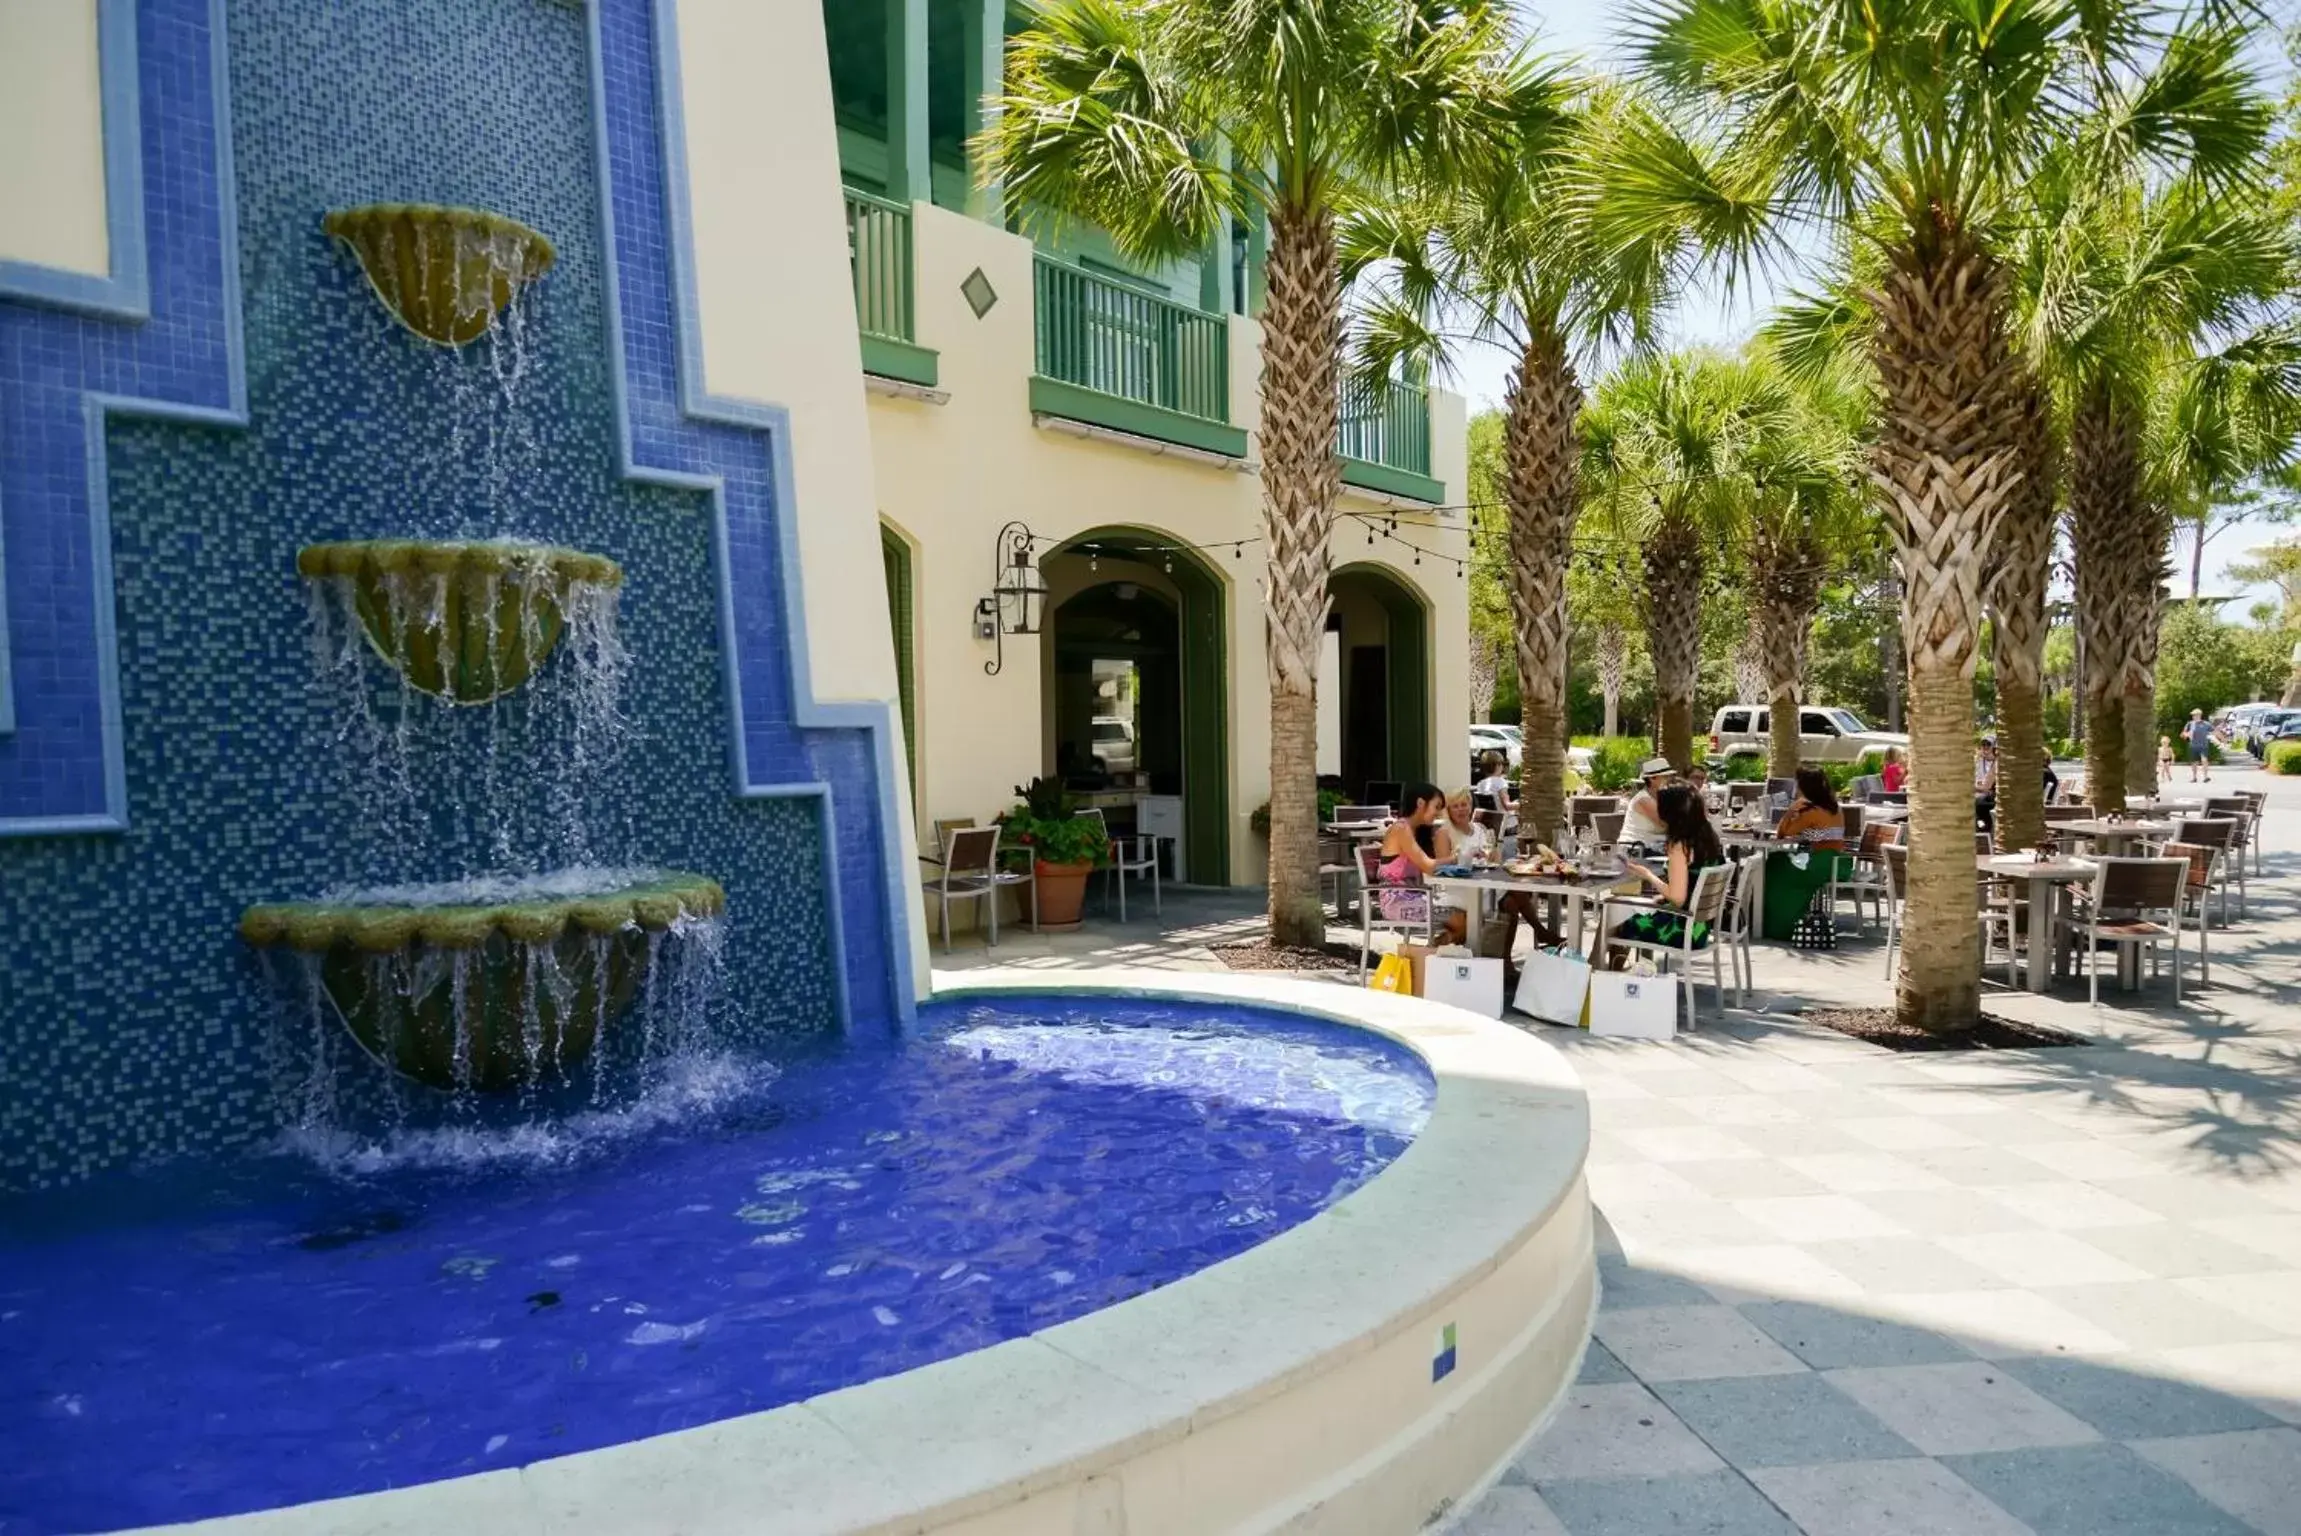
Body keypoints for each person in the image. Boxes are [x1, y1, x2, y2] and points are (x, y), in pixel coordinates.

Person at [1601, 786, 1725, 965]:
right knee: (1625, 913)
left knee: (1615, 919)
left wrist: (1648, 875)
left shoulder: (1680, 846)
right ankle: (1610, 974)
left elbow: (1677, 898)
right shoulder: (1708, 838)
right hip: (1700, 929)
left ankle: (1600, 974)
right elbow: (1692, 885)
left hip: (1680, 930)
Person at [1376, 784, 1468, 946]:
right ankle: (1426, 957)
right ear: (1420, 803)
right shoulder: (1401, 829)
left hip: (1417, 896)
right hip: (1398, 903)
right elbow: (1429, 866)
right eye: (1436, 807)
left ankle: (1428, 957)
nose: (1438, 813)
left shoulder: (1415, 830)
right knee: (1462, 921)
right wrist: (1456, 857)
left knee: (1468, 918)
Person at [1775, 767, 1846, 849]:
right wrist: (1805, 834)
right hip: (1837, 858)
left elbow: (1782, 834)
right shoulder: (1836, 808)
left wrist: (1791, 810)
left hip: (1818, 859)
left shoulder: (1810, 811)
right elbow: (1824, 834)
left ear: (1805, 788)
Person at [1621, 758, 1674, 849]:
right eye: (1665, 777)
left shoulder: (1663, 797)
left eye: (1669, 776)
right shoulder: (1643, 799)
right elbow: (1665, 823)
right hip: (1635, 848)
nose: (1670, 780)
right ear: (1652, 779)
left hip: (1654, 845)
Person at [1473, 752, 1517, 817]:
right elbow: (1507, 806)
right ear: (1497, 765)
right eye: (1502, 764)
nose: (1503, 766)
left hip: (1490, 820)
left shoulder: (1480, 784)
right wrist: (1521, 803)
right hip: (1505, 822)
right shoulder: (1501, 782)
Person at [1974, 737, 1999, 835]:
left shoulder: (1997, 763)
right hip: (1985, 794)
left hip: (1995, 799)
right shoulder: (1980, 761)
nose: (1985, 747)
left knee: (1977, 803)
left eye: (1988, 744)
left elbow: (1986, 787)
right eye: (1983, 745)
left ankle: (1983, 830)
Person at [2185, 709, 2214, 783]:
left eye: (2195, 715)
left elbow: (2214, 731)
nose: (2193, 716)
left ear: (2199, 715)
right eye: (2193, 715)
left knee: (2204, 760)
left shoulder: (2206, 724)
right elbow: (2183, 734)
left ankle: (2205, 777)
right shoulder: (2190, 724)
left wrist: (2222, 739)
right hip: (2193, 746)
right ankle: (2194, 777)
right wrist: (2186, 735)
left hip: (2204, 745)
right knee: (2194, 762)